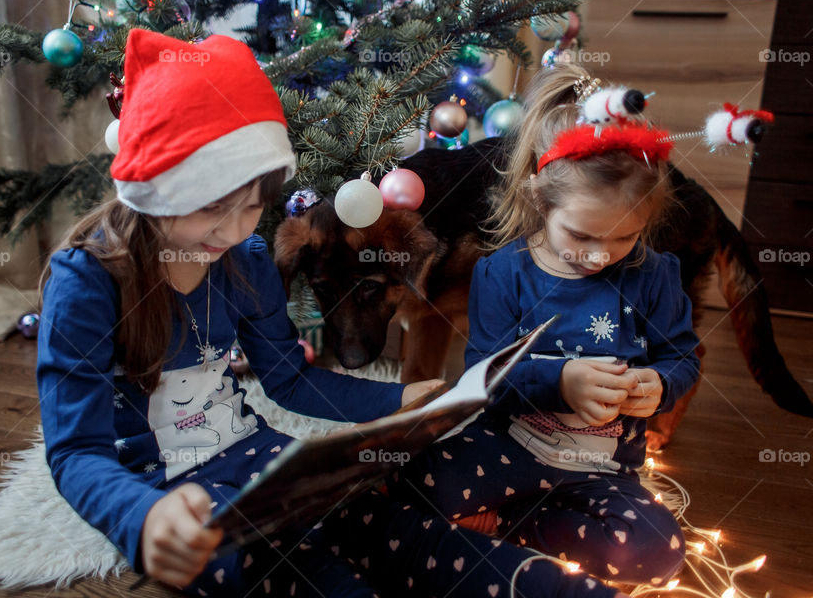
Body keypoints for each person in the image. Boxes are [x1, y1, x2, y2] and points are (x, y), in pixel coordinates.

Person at [37, 29, 625, 597]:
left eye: (252, 207)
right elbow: (75, 453)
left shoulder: (246, 259)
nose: (233, 229)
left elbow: (289, 379)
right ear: (156, 189)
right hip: (159, 493)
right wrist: (144, 519)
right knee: (306, 573)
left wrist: (401, 400)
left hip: (257, 459)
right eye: (212, 208)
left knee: (394, 527)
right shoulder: (86, 282)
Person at [388, 63, 702, 586]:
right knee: (401, 475)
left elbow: (681, 359)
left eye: (624, 238)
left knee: (659, 549)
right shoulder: (501, 272)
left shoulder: (655, 275)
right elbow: (482, 378)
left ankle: (509, 525)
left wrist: (661, 384)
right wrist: (560, 382)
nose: (601, 257)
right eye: (581, 235)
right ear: (540, 199)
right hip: (508, 448)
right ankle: (497, 520)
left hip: (599, 468)